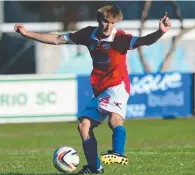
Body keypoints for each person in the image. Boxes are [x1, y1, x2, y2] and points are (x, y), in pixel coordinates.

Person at [14, 3, 171, 174]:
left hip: (117, 85)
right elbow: (58, 39)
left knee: (114, 120)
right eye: (105, 21)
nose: (108, 26)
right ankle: (95, 168)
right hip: (101, 88)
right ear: (99, 20)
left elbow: (144, 41)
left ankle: (119, 152)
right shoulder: (88, 34)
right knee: (84, 126)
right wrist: (27, 34)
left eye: (112, 23)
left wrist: (160, 32)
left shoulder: (120, 38)